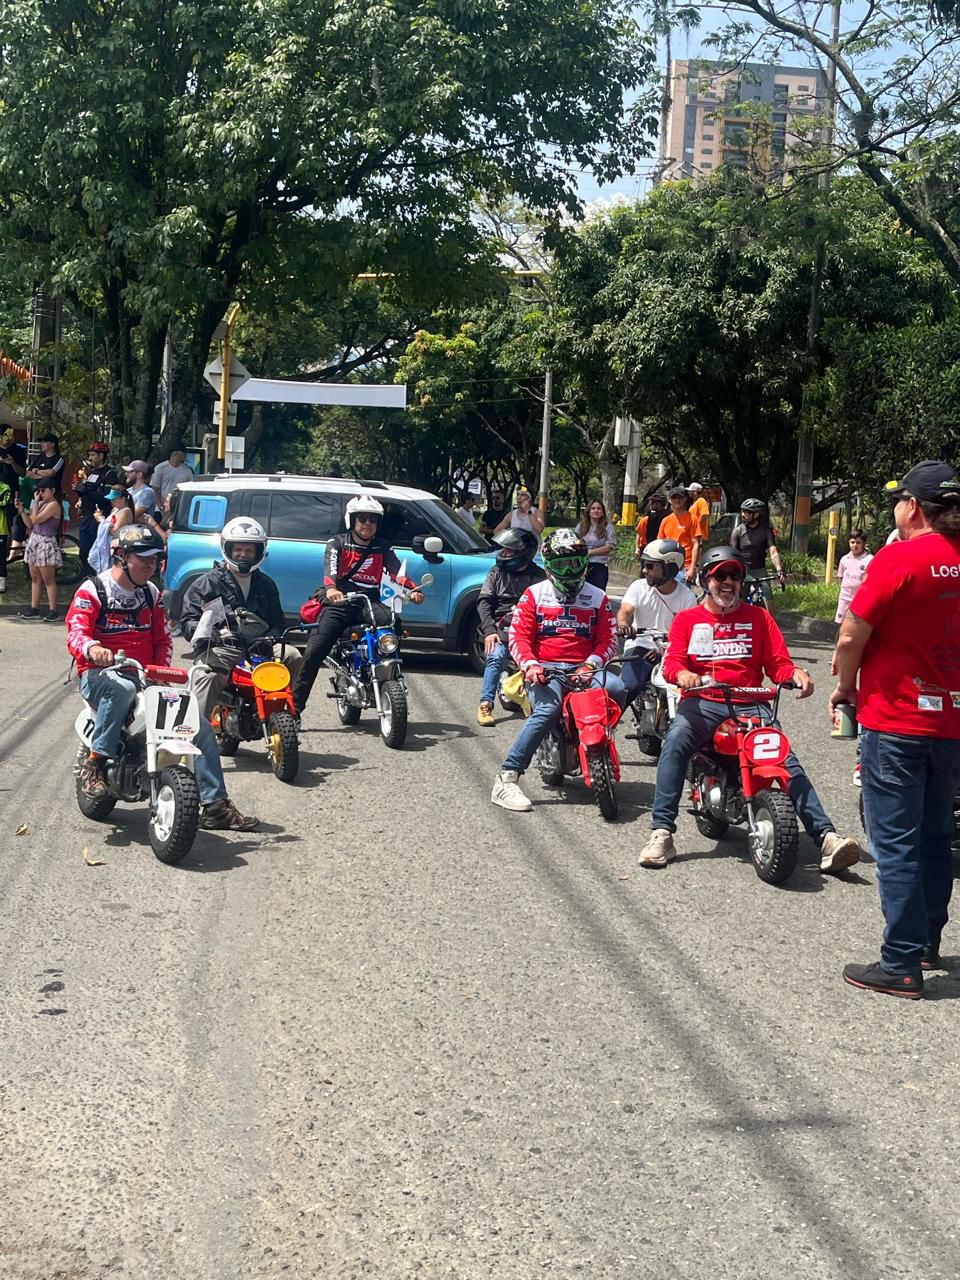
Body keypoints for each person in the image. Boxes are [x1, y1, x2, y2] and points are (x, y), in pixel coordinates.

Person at [638, 545, 861, 872]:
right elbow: (673, 664)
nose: (728, 582)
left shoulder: (760, 618)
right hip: (703, 704)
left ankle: (827, 838)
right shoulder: (688, 620)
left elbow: (778, 664)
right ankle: (661, 833)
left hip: (751, 704)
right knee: (674, 745)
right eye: (720, 575)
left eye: (735, 575)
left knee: (786, 761)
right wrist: (685, 675)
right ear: (705, 580)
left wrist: (796, 675)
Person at [833, 461, 960, 999]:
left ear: (913, 506)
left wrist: (845, 687)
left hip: (898, 720)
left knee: (897, 841)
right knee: (936, 837)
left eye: (898, 499)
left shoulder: (899, 558)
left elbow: (849, 636)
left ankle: (902, 962)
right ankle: (927, 941)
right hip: (951, 726)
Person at [65, 524, 258, 830]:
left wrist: (160, 674)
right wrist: (92, 648)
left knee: (198, 723)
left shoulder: (152, 593)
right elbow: (76, 631)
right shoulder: (93, 589)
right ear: (122, 557)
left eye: (155, 559)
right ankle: (95, 764)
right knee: (121, 688)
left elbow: (163, 640)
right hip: (100, 675)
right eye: (143, 558)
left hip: (144, 677)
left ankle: (216, 806)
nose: (149, 565)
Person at [491, 528, 625, 812]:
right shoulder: (533, 595)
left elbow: (608, 640)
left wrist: (591, 664)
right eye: (562, 564)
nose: (569, 570)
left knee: (617, 689)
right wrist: (530, 665)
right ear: (549, 567)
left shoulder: (598, 597)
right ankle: (507, 777)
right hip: (545, 671)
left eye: (575, 562)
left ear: (584, 563)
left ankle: (592, 744)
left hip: (584, 670)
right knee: (547, 709)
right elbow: (519, 638)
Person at [291, 497, 424, 714]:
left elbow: (397, 573)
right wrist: (332, 589)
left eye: (373, 519)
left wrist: (413, 590)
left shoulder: (383, 546)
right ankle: (294, 708)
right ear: (351, 520)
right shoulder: (337, 543)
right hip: (340, 600)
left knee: (392, 623)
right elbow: (330, 571)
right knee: (315, 651)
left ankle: (389, 678)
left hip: (368, 601)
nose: (367, 523)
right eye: (362, 518)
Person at [179, 517, 304, 721]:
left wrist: (271, 638)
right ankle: (192, 731)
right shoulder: (208, 583)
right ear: (227, 549)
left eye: (249, 550)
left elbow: (278, 623)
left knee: (293, 656)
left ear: (259, 552)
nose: (243, 555)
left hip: (259, 646)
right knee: (207, 675)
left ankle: (280, 710)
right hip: (221, 646)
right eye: (238, 549)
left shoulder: (266, 584)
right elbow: (188, 620)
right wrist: (208, 633)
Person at [476, 528, 544, 726]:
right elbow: (484, 602)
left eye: (509, 551)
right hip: (500, 628)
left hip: (528, 629)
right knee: (496, 656)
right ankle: (485, 704)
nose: (504, 553)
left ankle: (538, 702)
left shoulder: (539, 577)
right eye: (503, 549)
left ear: (524, 553)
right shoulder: (496, 572)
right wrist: (489, 631)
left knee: (541, 662)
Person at [616, 539, 697, 701]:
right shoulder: (639, 587)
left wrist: (664, 651)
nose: (645, 570)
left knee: (689, 692)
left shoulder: (687, 597)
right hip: (640, 647)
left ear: (670, 567)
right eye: (644, 565)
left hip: (672, 652)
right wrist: (624, 625)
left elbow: (688, 633)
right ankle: (606, 725)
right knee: (627, 688)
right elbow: (625, 610)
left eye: (651, 566)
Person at [16, 480, 62, 620]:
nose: (40, 494)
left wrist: (35, 503)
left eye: (43, 491)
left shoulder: (54, 505)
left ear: (52, 491)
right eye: (39, 491)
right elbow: (30, 523)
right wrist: (22, 510)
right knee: (35, 578)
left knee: (48, 579)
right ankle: (34, 608)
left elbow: (36, 519)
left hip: (46, 541)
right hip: (35, 540)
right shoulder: (41, 504)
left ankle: (53, 609)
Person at [73, 441, 118, 572]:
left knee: (95, 552)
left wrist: (86, 491)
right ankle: (89, 576)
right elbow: (87, 492)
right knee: (83, 552)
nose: (90, 458)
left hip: (99, 517)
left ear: (101, 456)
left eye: (93, 455)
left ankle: (96, 577)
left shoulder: (109, 474)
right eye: (89, 455)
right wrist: (79, 490)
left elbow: (107, 498)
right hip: (86, 516)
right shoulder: (92, 473)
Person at [730, 498, 785, 602]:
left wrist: (779, 570)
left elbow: (773, 552)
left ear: (756, 515)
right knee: (739, 603)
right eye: (742, 511)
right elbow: (733, 555)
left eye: (746, 512)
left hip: (760, 570)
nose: (742, 514)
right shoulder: (737, 531)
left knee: (769, 602)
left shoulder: (766, 531)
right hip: (743, 571)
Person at [0, 426, 27, 585]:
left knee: (12, 529)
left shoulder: (17, 450)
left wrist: (11, 463)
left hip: (11, 496)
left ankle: (11, 560)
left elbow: (23, 473)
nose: (9, 439)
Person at [659, 487, 703, 582]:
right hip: (667, 565)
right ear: (669, 500)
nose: (677, 500)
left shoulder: (692, 518)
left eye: (680, 497)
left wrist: (693, 567)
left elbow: (696, 544)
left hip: (684, 567)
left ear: (685, 499)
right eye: (674, 498)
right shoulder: (665, 521)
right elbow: (659, 544)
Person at [89, 488, 134, 574]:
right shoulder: (116, 510)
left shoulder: (126, 511)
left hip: (118, 547)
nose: (112, 502)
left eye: (114, 499)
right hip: (109, 546)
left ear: (123, 499)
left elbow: (115, 531)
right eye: (111, 500)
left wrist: (101, 520)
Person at [834, 529, 873, 626]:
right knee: (840, 624)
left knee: (857, 625)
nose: (855, 545)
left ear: (864, 543)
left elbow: (870, 581)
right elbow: (841, 577)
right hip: (844, 598)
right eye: (852, 542)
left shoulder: (869, 560)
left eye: (858, 542)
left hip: (860, 599)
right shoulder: (844, 559)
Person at [577, 499, 617, 590]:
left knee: (598, 594)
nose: (596, 510)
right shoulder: (580, 527)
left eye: (599, 508)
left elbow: (609, 547)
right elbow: (575, 543)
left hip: (599, 566)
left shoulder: (608, 527)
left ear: (602, 512)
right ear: (589, 511)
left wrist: (590, 552)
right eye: (593, 508)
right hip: (582, 566)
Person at [151, 444, 193, 509]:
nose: (185, 455)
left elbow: (190, 490)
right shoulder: (160, 468)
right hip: (160, 508)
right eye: (184, 453)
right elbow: (155, 489)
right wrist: (160, 507)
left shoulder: (187, 471)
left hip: (178, 508)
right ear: (176, 453)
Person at [635, 493, 667, 558]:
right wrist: (637, 548)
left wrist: (637, 548)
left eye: (653, 502)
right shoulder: (646, 518)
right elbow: (639, 534)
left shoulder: (667, 518)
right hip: (647, 548)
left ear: (659, 504)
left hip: (659, 547)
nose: (651, 504)